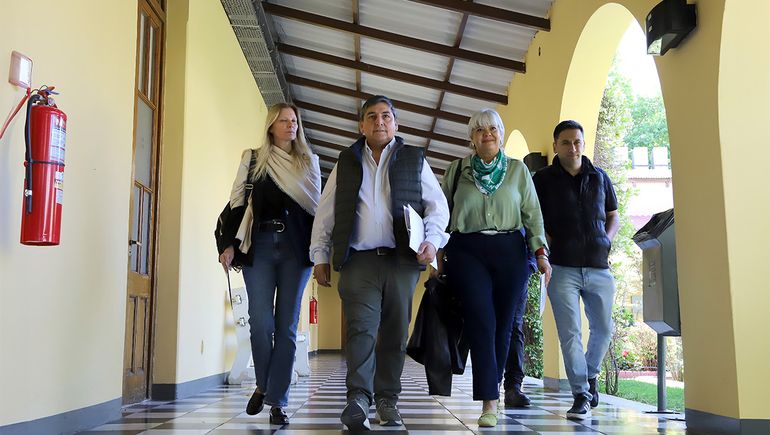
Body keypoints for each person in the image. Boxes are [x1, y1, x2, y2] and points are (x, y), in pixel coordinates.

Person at [310, 95, 449, 431]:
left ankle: (387, 400)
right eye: (371, 117)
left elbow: (437, 206)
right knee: (360, 328)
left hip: (402, 261)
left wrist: (432, 240)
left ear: (396, 123)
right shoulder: (347, 160)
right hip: (359, 261)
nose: (379, 122)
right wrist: (320, 255)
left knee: (394, 333)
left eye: (386, 116)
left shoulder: (414, 159)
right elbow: (326, 211)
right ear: (362, 125)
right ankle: (358, 398)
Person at [436, 108, 551, 428]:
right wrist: (438, 253)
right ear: (471, 137)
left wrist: (540, 253)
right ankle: (488, 400)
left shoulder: (517, 171)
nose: (487, 133)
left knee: (504, 326)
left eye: (493, 128)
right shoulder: (457, 170)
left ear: (501, 134)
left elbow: (533, 214)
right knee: (481, 321)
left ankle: (496, 393)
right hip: (467, 250)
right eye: (480, 129)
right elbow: (440, 214)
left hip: (510, 250)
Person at [218, 103, 321, 425]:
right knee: (260, 324)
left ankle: (277, 401)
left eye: (294, 121)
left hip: (296, 249)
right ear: (271, 125)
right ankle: (263, 384)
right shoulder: (252, 159)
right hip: (259, 246)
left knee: (286, 327)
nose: (291, 126)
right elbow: (237, 201)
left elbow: (318, 210)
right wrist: (228, 246)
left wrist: (322, 254)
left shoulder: (308, 161)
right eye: (284, 121)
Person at [533, 120, 619, 420]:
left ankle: (590, 375)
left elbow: (613, 215)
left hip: (599, 266)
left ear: (583, 144)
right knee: (570, 334)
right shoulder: (542, 179)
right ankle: (581, 394)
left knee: (604, 328)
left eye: (577, 142)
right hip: (562, 268)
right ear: (556, 145)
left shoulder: (599, 177)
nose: (573, 147)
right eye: (566, 142)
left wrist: (605, 241)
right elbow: (535, 219)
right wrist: (549, 245)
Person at [502, 246, 537, 408]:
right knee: (486, 325)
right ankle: (488, 386)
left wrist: (530, 265)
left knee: (514, 326)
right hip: (481, 264)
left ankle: (513, 386)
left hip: (519, 266)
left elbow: (536, 227)